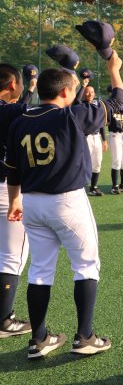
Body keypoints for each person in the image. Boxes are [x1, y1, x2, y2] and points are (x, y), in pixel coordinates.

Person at [5, 51, 123, 359]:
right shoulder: (70, 116)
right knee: (86, 265)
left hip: (31, 203)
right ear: (63, 93)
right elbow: (117, 103)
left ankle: (39, 339)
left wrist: (15, 199)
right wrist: (114, 71)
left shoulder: (20, 120)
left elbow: (13, 169)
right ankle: (85, 337)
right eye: (70, 90)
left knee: (40, 270)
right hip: (67, 201)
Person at [0, 64, 35, 339]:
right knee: (13, 256)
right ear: (12, 84)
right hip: (5, 190)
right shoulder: (11, 110)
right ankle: (5, 320)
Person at [83, 86, 107, 197]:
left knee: (97, 162)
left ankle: (93, 187)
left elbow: (101, 124)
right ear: (83, 93)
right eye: (87, 91)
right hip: (85, 137)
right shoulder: (80, 105)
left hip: (96, 137)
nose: (89, 94)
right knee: (84, 163)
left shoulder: (97, 105)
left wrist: (104, 140)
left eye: (92, 92)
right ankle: (81, 188)